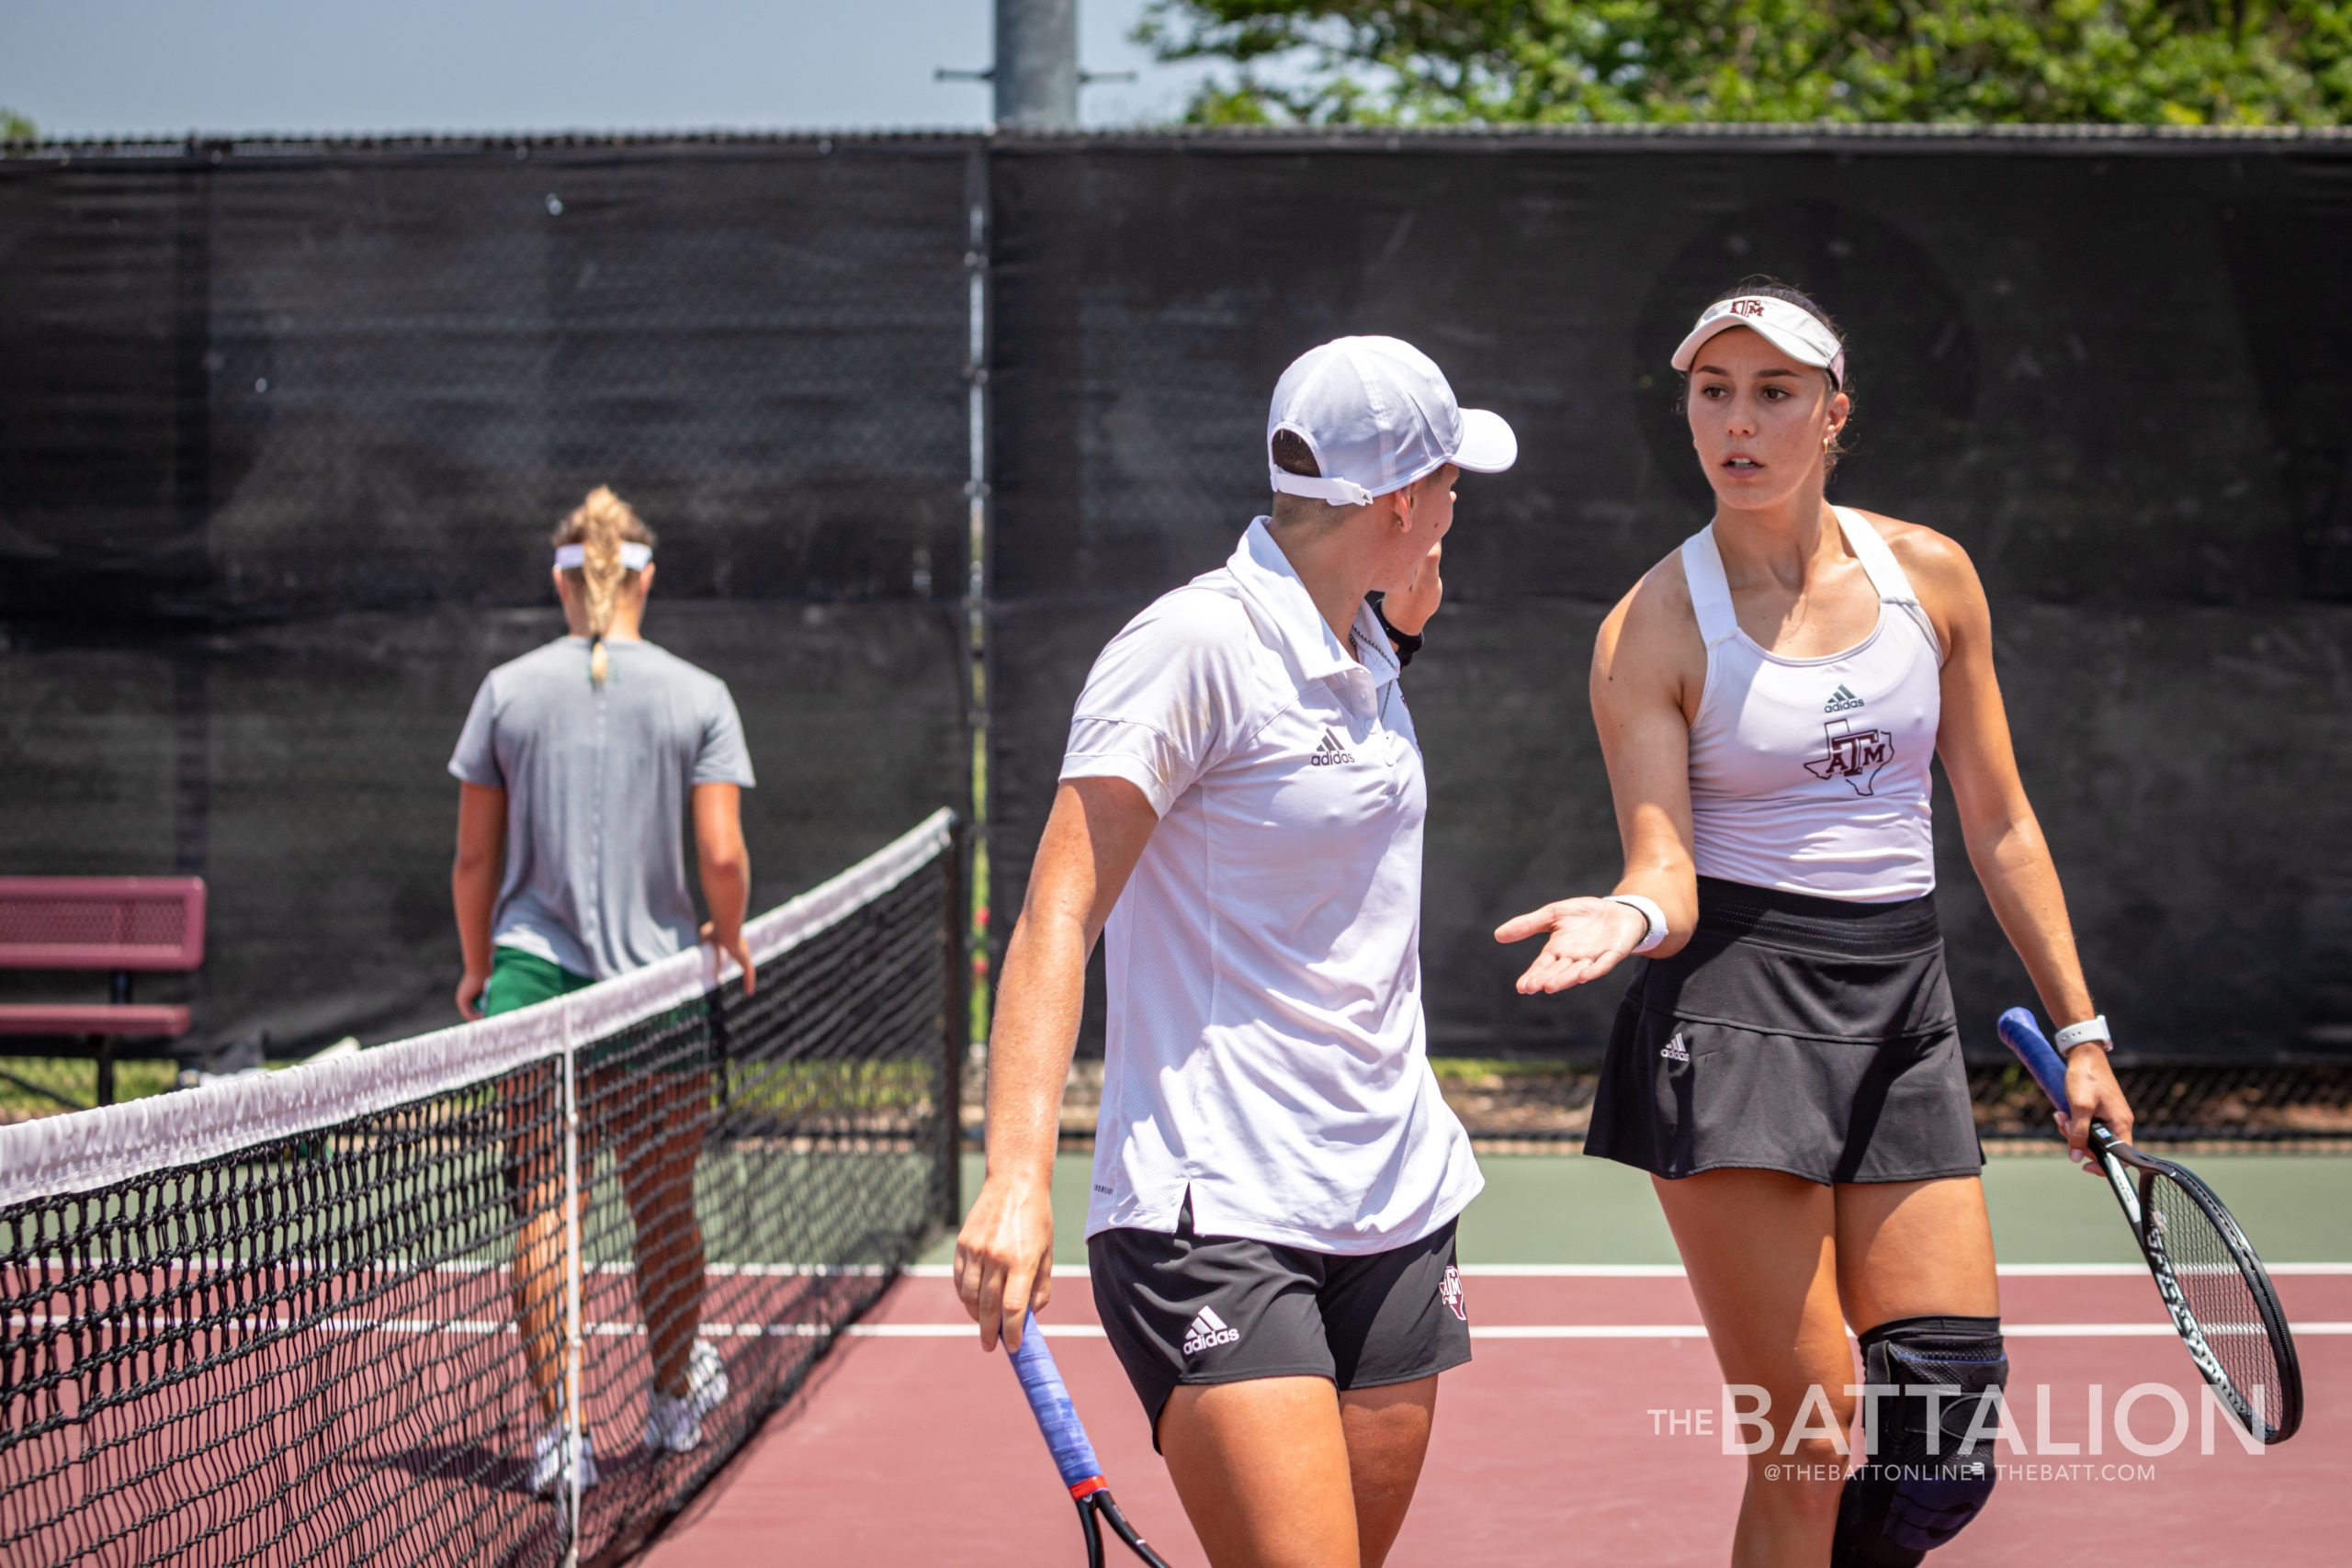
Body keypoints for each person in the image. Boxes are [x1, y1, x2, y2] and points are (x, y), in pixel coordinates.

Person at [1498, 282, 2139, 1568]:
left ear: (1832, 414)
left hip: (1903, 1010)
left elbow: (2000, 822)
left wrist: (2083, 1033)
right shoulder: (1652, 626)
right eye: (1713, 392)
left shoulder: (1934, 579)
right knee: (1806, 1436)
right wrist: (1628, 910)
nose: (1739, 422)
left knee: (1941, 1442)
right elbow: (1664, 862)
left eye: (1774, 393)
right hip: (1736, 1020)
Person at [956, 337, 1514, 1568]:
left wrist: (1400, 635)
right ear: (1404, 502)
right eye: (1452, 484)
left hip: (1395, 1198)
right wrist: (1013, 1172)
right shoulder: (1192, 645)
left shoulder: (1366, 645)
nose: (1459, 510)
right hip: (1215, 1208)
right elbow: (1058, 908)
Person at [448, 485, 755, 1497]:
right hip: (658, 987)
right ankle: (671, 1401)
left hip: (531, 982)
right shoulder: (698, 693)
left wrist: (477, 968)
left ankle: (561, 1437)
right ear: (645, 577)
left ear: (562, 578)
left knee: (543, 1202)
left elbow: (472, 861)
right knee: (663, 1204)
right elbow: (719, 854)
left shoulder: (505, 689)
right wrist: (731, 928)